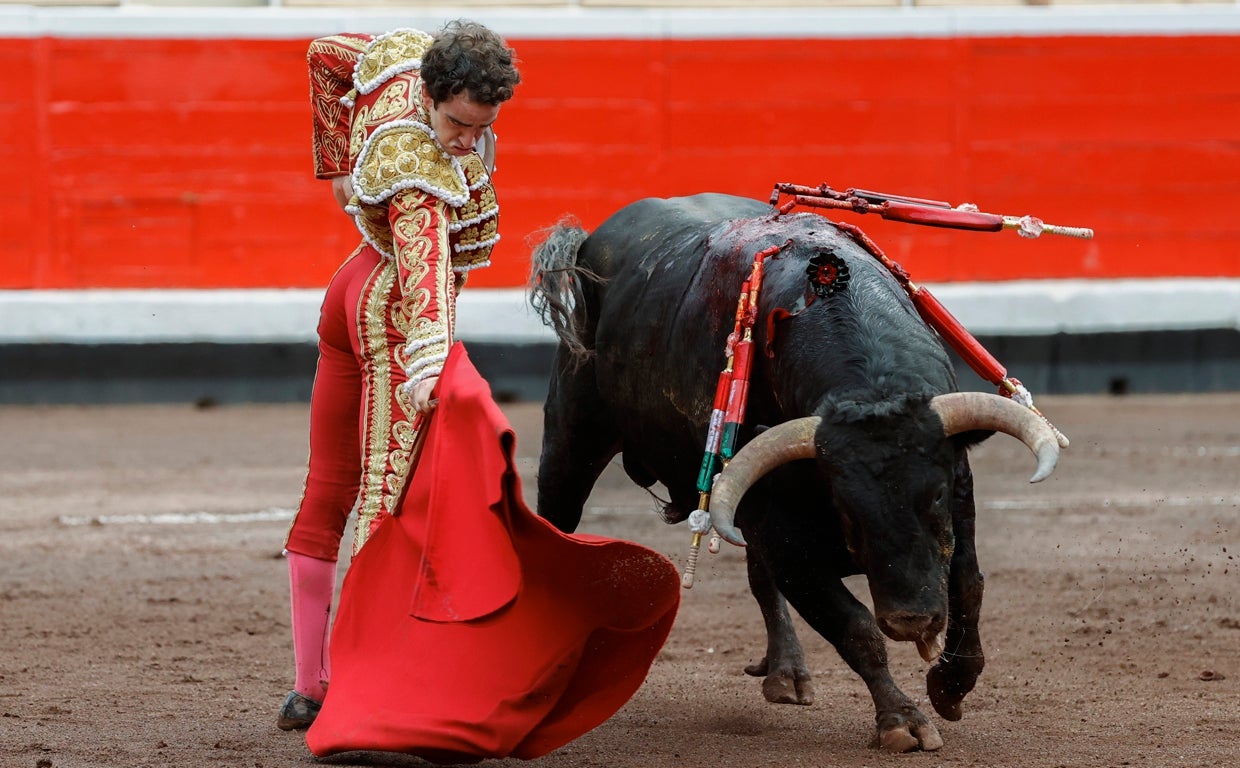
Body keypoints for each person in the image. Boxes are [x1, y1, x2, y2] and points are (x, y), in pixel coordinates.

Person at [277, 20, 521, 731]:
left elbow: (325, 55)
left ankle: (308, 688)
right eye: (457, 123)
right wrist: (426, 360)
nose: (465, 141)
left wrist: (337, 168)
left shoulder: (398, 60)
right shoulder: (421, 167)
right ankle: (363, 688)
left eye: (481, 129)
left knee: (328, 486)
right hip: (391, 316)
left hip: (344, 293)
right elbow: (424, 271)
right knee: (383, 500)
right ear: (433, 94)